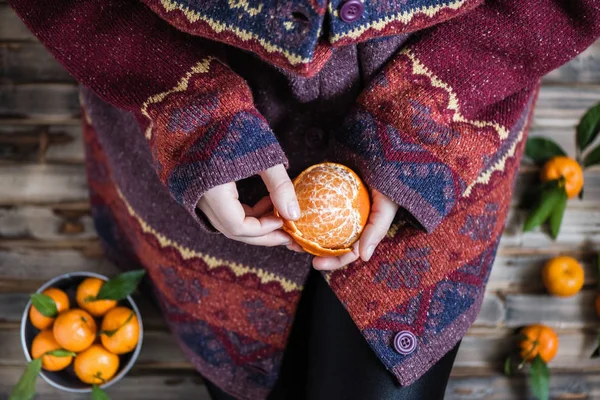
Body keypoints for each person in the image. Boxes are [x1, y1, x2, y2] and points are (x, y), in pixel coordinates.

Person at [8, 0, 600, 398]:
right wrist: (192, 112)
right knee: (240, 371)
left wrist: (418, 127)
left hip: (444, 105)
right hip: (185, 100)